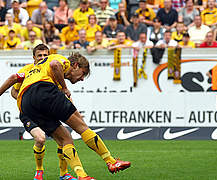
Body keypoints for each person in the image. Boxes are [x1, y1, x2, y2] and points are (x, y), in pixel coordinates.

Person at [3, 51, 131, 179]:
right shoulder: (60, 60)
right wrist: (65, 88)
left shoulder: (36, 70)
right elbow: (54, 64)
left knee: (66, 139)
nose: (82, 78)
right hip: (43, 90)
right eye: (83, 73)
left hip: (26, 105)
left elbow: (13, 79)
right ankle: (111, 161)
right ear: (75, 65)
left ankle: (82, 176)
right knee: (82, 128)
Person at [0, 44, 77, 180]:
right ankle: (39, 171)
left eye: (45, 55)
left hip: (46, 110)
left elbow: (61, 92)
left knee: (63, 141)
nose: (42, 57)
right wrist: (28, 102)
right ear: (34, 58)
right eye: (39, 55)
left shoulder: (51, 70)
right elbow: (13, 90)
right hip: (29, 112)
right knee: (40, 138)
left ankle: (64, 174)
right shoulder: (28, 70)